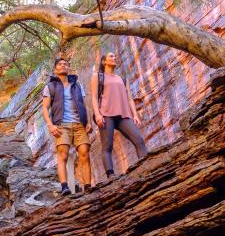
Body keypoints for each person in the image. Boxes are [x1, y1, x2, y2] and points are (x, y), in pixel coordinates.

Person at [41, 56, 95, 196]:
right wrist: (50, 125)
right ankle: (65, 187)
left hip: (79, 124)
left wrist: (88, 121)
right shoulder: (50, 86)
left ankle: (87, 186)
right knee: (63, 155)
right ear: (55, 69)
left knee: (84, 153)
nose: (63, 65)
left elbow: (84, 104)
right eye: (60, 64)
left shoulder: (77, 85)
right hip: (61, 125)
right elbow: (45, 109)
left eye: (65, 64)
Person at [90, 50, 149, 178]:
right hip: (106, 114)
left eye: (115, 56)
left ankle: (146, 167)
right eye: (111, 56)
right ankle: (111, 176)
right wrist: (97, 114)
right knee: (107, 145)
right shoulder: (98, 76)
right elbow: (94, 97)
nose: (115, 58)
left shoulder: (122, 78)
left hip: (123, 115)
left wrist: (135, 115)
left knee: (138, 140)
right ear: (104, 61)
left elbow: (129, 98)